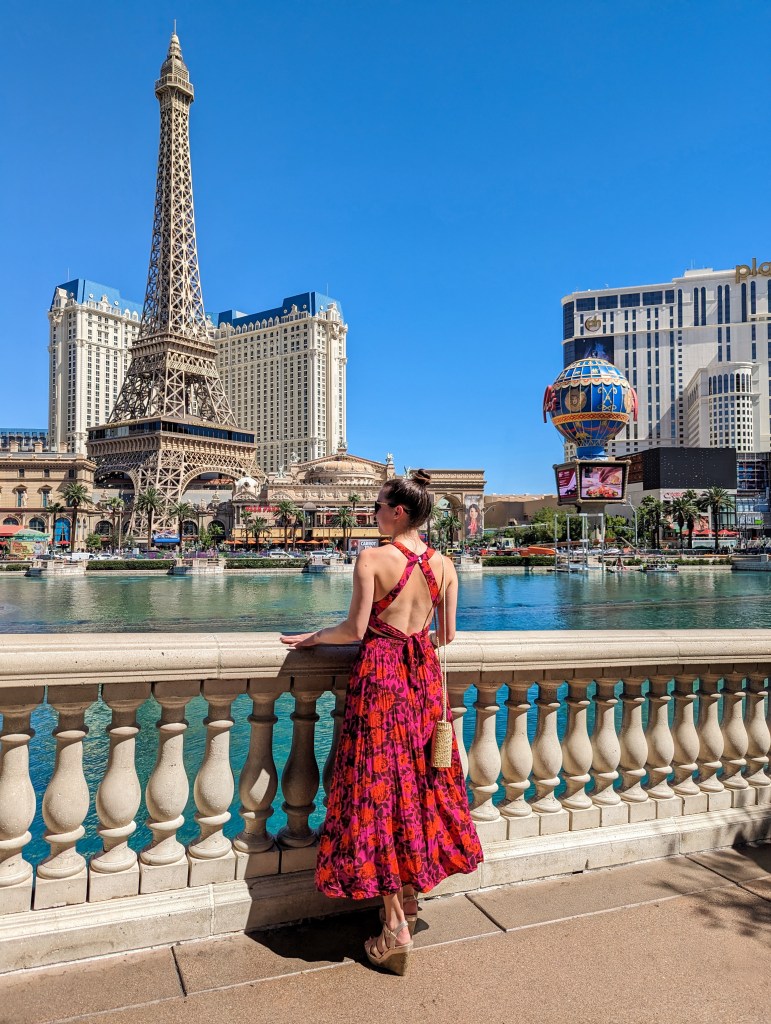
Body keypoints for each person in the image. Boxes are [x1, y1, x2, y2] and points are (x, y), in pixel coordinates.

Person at [281, 469, 483, 975]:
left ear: (398, 512)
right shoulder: (445, 564)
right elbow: (448, 635)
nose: (372, 513)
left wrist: (313, 638)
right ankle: (404, 900)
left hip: (380, 679)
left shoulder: (372, 558)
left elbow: (353, 627)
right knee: (417, 785)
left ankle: (394, 924)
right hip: (420, 682)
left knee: (377, 787)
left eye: (377, 506)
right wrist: (414, 642)